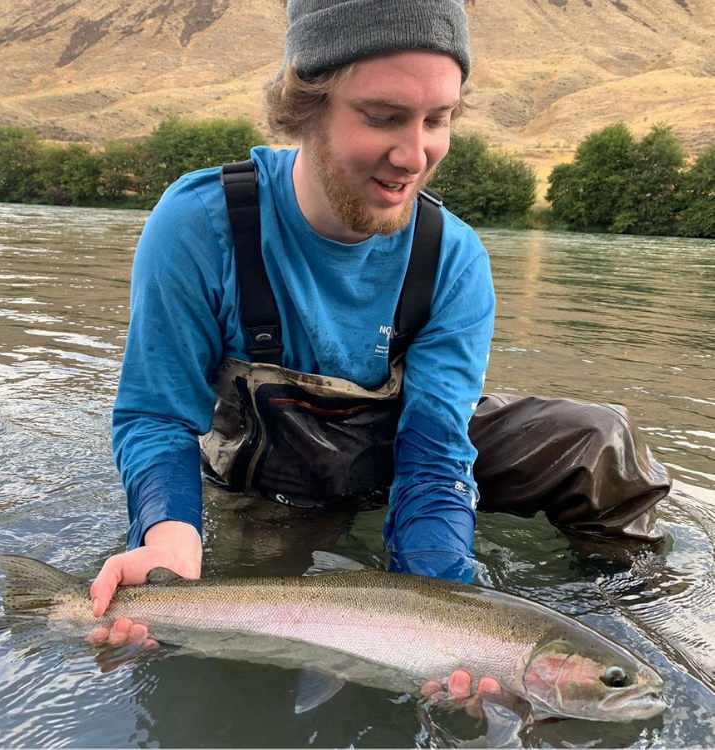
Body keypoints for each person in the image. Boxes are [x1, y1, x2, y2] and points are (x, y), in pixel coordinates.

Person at [89, 0, 671, 703]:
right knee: (236, 687)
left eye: (438, 119)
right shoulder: (199, 225)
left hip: (398, 450)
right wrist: (166, 530)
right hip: (270, 478)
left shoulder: (453, 258)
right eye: (383, 116)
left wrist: (442, 602)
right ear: (305, 107)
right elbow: (157, 415)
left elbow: (433, 455)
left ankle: (625, 622)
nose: (414, 153)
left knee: (596, 438)